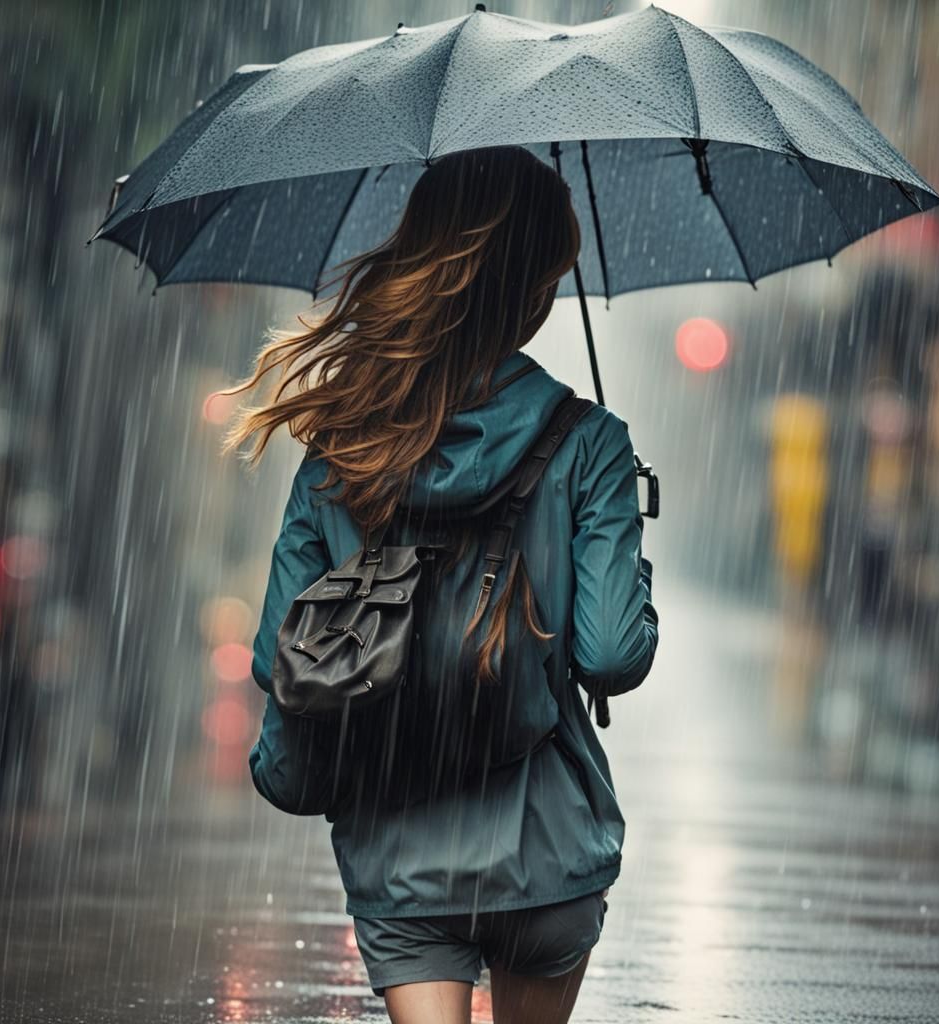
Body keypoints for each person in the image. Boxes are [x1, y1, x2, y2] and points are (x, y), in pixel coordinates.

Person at [220, 145, 659, 1024]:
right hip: (548, 850)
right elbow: (609, 656)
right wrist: (620, 548)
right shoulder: (588, 442)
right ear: (534, 290)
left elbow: (281, 654)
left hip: (400, 850)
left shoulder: (339, 449)